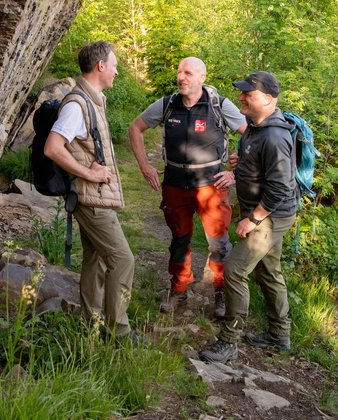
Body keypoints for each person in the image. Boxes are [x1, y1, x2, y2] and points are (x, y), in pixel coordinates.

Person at [127, 57, 246, 318]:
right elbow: (135, 128)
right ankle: (178, 291)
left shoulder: (219, 105)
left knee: (218, 244)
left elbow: (251, 135)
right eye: (179, 72)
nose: (181, 77)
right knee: (179, 240)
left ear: (202, 77)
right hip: (174, 184)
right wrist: (145, 167)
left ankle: (221, 293)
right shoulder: (168, 104)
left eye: (188, 73)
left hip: (211, 186)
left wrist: (235, 172)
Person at [44, 41, 144, 344]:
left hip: (93, 195)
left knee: (95, 259)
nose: (116, 70)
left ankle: (92, 324)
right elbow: (53, 147)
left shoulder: (94, 99)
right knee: (122, 259)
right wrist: (89, 173)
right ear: (100, 65)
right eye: (114, 64)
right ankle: (119, 332)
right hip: (90, 197)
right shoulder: (77, 105)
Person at [199, 71, 296, 363]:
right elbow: (261, 169)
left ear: (266, 99)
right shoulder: (256, 127)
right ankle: (280, 335)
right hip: (266, 212)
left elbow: (280, 186)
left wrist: (253, 219)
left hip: (271, 216)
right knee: (269, 272)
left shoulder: (276, 135)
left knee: (234, 269)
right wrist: (240, 166)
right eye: (241, 93)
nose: (240, 98)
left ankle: (229, 342)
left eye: (247, 94)